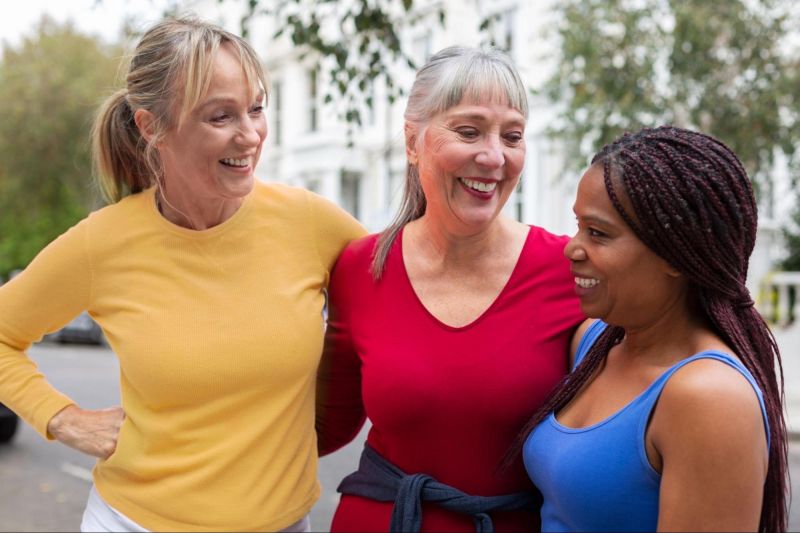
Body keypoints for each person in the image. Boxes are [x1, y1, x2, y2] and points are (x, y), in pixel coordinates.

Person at [0, 17, 364, 532]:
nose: (250, 135)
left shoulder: (310, 221)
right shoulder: (102, 243)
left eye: (257, 109)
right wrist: (62, 419)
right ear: (152, 127)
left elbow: (409, 289)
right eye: (221, 116)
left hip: (284, 522)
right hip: (136, 522)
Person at [315, 46, 584, 532]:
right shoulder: (360, 268)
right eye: (468, 131)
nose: (494, 156)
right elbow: (322, 427)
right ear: (413, 141)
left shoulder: (567, 271)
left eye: (513, 136)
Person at [520, 126, 788, 532]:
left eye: (598, 233)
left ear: (675, 255)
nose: (572, 248)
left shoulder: (709, 397)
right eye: (578, 226)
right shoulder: (594, 342)